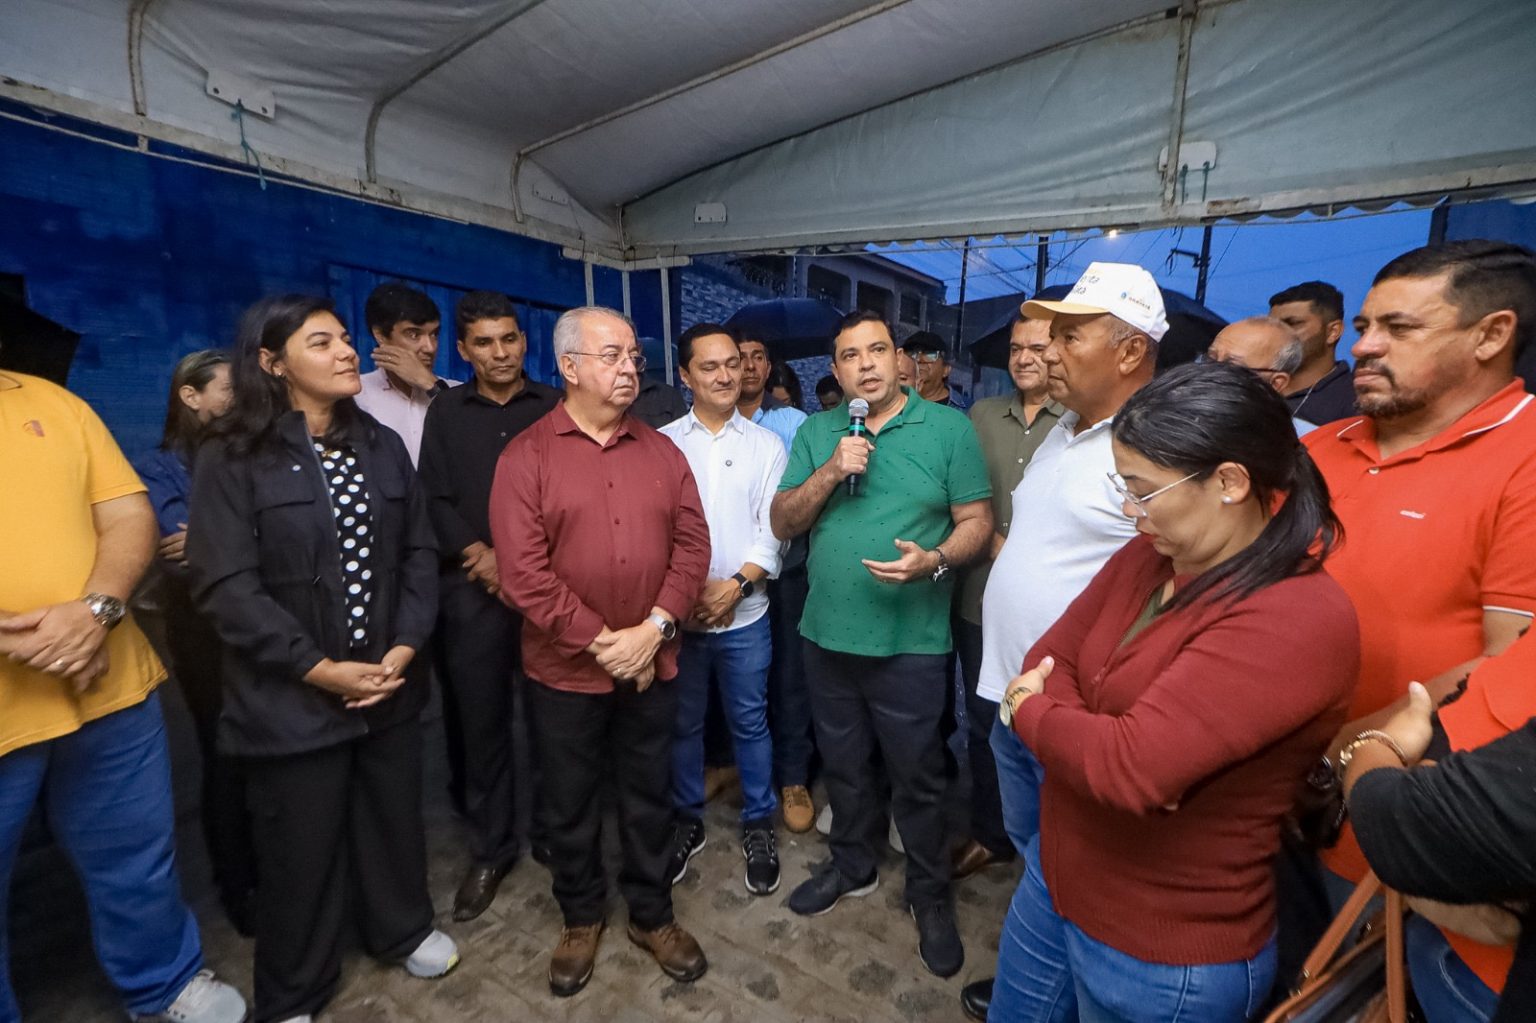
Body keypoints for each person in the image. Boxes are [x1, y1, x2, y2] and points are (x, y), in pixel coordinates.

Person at [990, 360, 1359, 1021]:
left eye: (1143, 490)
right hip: (1057, 881)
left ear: (1230, 482)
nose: (1129, 512)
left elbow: (1129, 770)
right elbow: (1051, 652)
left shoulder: (1296, 618)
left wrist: (1029, 707)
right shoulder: (1153, 553)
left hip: (1158, 949)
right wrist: (1088, 734)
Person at [187, 295, 457, 1023]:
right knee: (298, 846)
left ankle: (401, 927)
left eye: (344, 338)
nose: (346, 352)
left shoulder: (380, 443)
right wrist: (315, 667)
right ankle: (296, 989)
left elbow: (419, 552)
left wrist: (403, 648)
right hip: (292, 693)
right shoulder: (232, 455)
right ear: (272, 363)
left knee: (392, 818)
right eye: (322, 342)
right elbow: (225, 585)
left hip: (387, 679)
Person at [1307, 240, 1536, 1020]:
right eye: (1363, 326)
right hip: (1280, 800)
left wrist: (1339, 756)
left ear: (1491, 333)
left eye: (1398, 328)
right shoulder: (1320, 446)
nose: (1363, 346)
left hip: (1404, 835)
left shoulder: (1526, 456)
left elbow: (1510, 664)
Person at [0, 363, 247, 1023]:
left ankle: (163, 983)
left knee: (136, 855)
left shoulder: (54, 403)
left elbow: (127, 515)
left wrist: (97, 609)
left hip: (107, 687)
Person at [490, 307, 712, 997]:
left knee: (648, 794)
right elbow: (523, 573)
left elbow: (693, 546)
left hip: (652, 661)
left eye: (633, 357)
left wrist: (654, 629)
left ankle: (651, 914)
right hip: (563, 672)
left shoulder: (663, 452)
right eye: (611, 355)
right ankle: (581, 915)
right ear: (569, 367)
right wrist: (601, 641)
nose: (628, 368)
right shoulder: (526, 456)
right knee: (569, 801)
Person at [964, 262, 1160, 1020]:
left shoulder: (1157, 444)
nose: (1048, 349)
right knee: (1041, 859)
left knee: (1069, 872)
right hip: (1014, 698)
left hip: (1074, 711)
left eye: (1071, 336)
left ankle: (1050, 995)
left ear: (1130, 350)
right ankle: (1050, 984)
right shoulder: (1065, 432)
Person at [772, 309, 992, 978]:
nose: (865, 364)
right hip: (826, 635)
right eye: (850, 355)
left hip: (910, 643)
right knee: (843, 767)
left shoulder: (949, 429)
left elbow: (977, 521)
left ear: (900, 359)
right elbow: (783, 521)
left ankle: (929, 892)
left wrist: (935, 560)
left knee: (917, 777)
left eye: (877, 349)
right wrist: (830, 471)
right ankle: (852, 865)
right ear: (835, 370)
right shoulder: (819, 431)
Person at [417, 291, 560, 922]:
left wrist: (527, 568)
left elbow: (571, 496)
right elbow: (433, 497)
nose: (499, 353)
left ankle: (555, 830)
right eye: (484, 342)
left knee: (554, 718)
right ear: (463, 350)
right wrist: (482, 556)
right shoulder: (446, 412)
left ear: (524, 342)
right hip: (474, 591)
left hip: (549, 591)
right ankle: (491, 848)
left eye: (509, 339)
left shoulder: (554, 406)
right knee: (482, 724)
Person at [1345, 633, 1536, 1023]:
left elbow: (1401, 822)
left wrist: (1374, 748)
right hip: (1445, 931)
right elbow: (1489, 680)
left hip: (1486, 981)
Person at [660, 323, 788, 895]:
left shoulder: (766, 446)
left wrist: (734, 586)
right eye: (709, 366)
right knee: (683, 723)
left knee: (750, 721)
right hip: (678, 620)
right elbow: (655, 532)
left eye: (733, 363)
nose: (726, 375)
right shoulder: (662, 443)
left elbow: (773, 530)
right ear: (685, 375)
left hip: (746, 615)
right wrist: (684, 597)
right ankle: (687, 818)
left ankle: (758, 821)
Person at [134, 349, 256, 934]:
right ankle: (239, 888)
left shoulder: (252, 455)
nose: (239, 399)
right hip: (203, 632)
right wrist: (249, 534)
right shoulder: (158, 469)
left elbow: (289, 533)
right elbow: (178, 560)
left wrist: (215, 535)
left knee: (274, 753)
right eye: (228, 388)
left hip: (263, 624)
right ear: (190, 395)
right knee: (225, 755)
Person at [950, 314, 1063, 883]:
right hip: (978, 596)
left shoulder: (1082, 423)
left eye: (1037, 347)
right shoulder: (981, 414)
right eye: (1016, 348)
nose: (1023, 358)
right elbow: (958, 489)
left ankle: (1051, 850)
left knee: (1050, 729)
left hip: (1054, 610)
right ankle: (991, 835)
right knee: (983, 721)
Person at [735, 334, 817, 833]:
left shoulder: (794, 424)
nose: (746, 367)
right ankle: (728, 764)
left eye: (757, 358)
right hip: (727, 575)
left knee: (789, 676)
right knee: (731, 676)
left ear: (769, 368)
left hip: (787, 572)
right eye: (737, 358)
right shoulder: (709, 424)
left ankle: (793, 777)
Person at [354, 282, 454, 466]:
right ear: (380, 335)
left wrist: (431, 385)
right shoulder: (357, 395)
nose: (430, 348)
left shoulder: (457, 392)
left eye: (434, 334)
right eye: (414, 335)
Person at [1204, 316, 1317, 434]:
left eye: (1232, 366)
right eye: (1210, 359)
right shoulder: (1190, 419)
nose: (1210, 372)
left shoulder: (1307, 440)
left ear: (1276, 383)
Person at [1269, 280, 1356, 425]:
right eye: (1273, 326)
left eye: (1292, 323)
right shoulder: (1256, 387)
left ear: (1333, 332)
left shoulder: (1357, 398)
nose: (1278, 334)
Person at [903, 330, 970, 409]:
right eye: (912, 354)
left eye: (930, 354)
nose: (919, 359)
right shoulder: (892, 407)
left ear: (946, 369)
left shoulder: (968, 410)